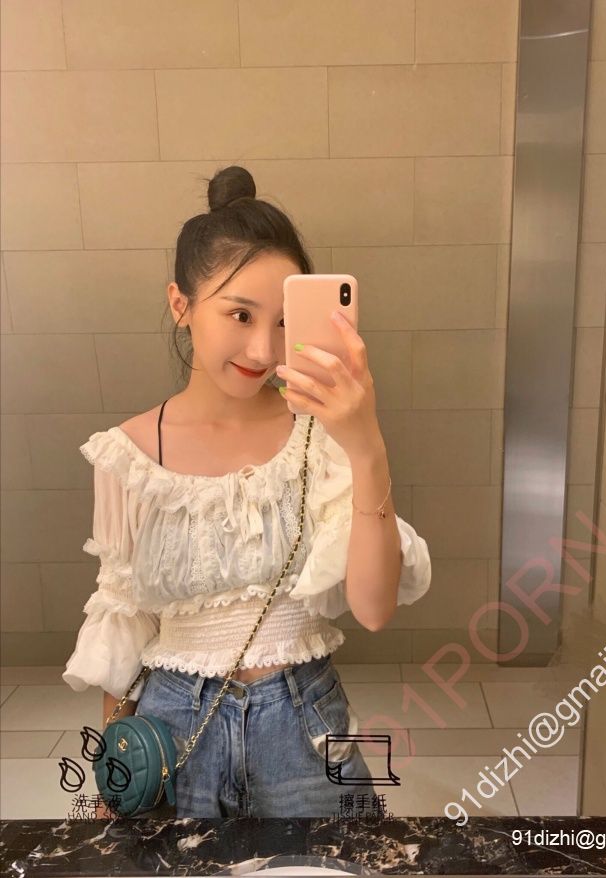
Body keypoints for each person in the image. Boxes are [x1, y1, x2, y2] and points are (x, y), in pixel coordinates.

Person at [62, 165, 432, 818]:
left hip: (306, 724)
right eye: (240, 314)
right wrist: (115, 771)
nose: (263, 349)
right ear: (181, 305)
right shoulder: (128, 455)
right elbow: (123, 616)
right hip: (174, 730)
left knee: (337, 862)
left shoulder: (319, 434)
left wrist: (367, 446)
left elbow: (374, 609)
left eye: (285, 321)